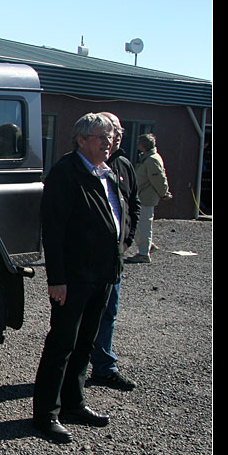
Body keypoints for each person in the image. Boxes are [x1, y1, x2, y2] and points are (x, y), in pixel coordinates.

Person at [33, 113, 127, 443]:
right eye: (102, 137)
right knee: (62, 344)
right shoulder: (66, 173)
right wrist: (56, 279)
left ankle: (74, 403)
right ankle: (46, 413)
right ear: (81, 139)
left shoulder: (106, 172)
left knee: (86, 342)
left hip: (103, 274)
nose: (108, 142)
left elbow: (118, 214)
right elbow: (54, 229)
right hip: (74, 277)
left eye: (111, 137)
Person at [89, 112, 139, 391]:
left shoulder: (124, 165)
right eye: (110, 132)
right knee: (83, 314)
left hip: (114, 258)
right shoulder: (89, 166)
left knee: (109, 312)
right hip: (89, 260)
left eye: (119, 132)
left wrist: (126, 241)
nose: (115, 137)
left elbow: (133, 204)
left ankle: (104, 367)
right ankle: (74, 368)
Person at [128, 133, 171, 264]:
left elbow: (159, 179)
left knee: (144, 225)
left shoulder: (152, 160)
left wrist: (164, 193)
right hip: (140, 196)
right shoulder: (148, 158)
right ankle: (148, 246)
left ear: (142, 146)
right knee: (136, 224)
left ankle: (144, 254)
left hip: (146, 198)